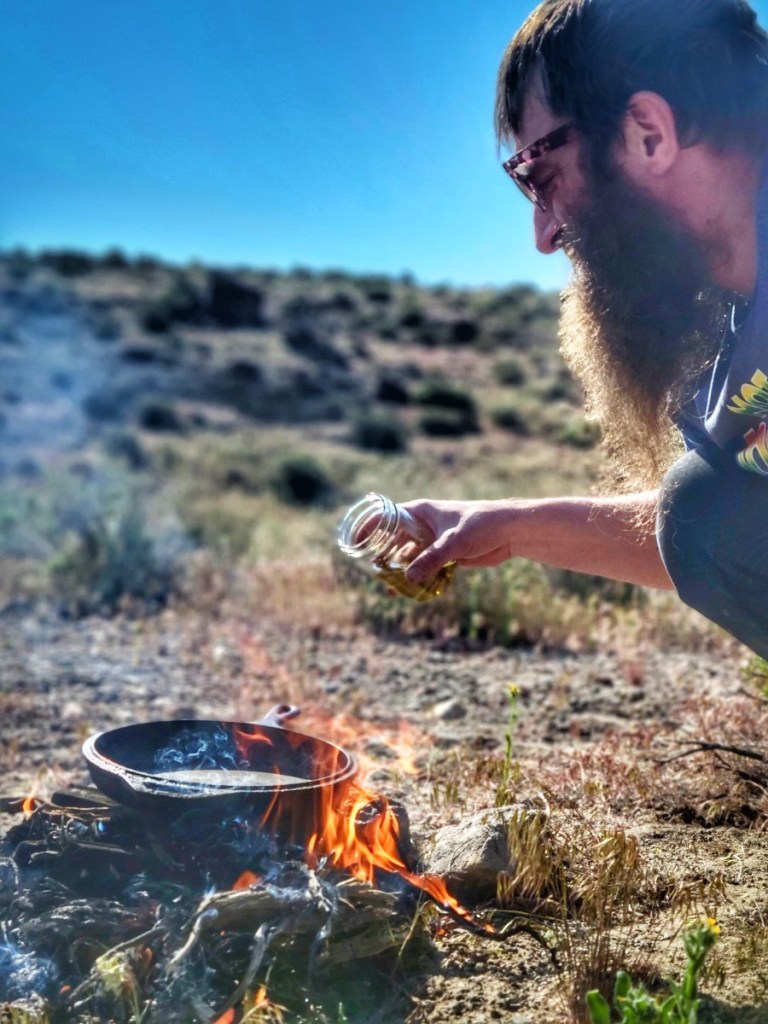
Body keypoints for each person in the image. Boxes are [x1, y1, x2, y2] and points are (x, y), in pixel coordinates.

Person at [402, 0, 768, 659]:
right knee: (704, 504)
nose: (544, 234)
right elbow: (718, 530)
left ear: (647, 133)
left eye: (541, 177)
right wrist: (509, 526)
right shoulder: (727, 330)